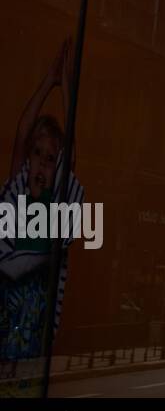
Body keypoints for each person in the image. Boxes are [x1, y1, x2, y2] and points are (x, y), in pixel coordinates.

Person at [1, 39, 85, 368]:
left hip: (35, 318)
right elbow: (22, 135)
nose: (41, 165)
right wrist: (48, 81)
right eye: (37, 155)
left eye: (51, 159)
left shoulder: (55, 206)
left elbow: (72, 153)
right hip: (9, 308)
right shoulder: (18, 195)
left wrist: (65, 86)